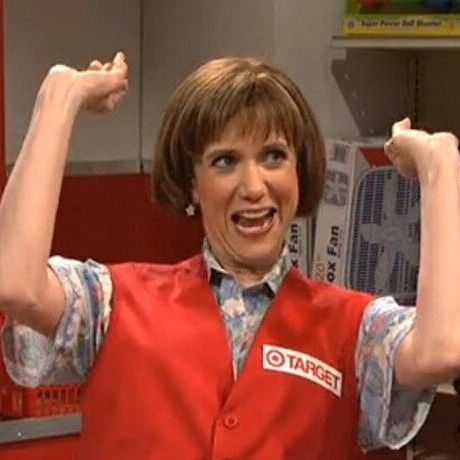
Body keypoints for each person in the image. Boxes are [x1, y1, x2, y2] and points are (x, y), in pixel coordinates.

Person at [0, 51, 459, 460]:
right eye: (225, 161)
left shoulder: (356, 329)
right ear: (192, 183)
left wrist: (440, 165)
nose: (254, 186)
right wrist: (60, 97)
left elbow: (443, 349)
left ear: (299, 173)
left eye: (274, 156)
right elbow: (15, 282)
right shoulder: (109, 303)